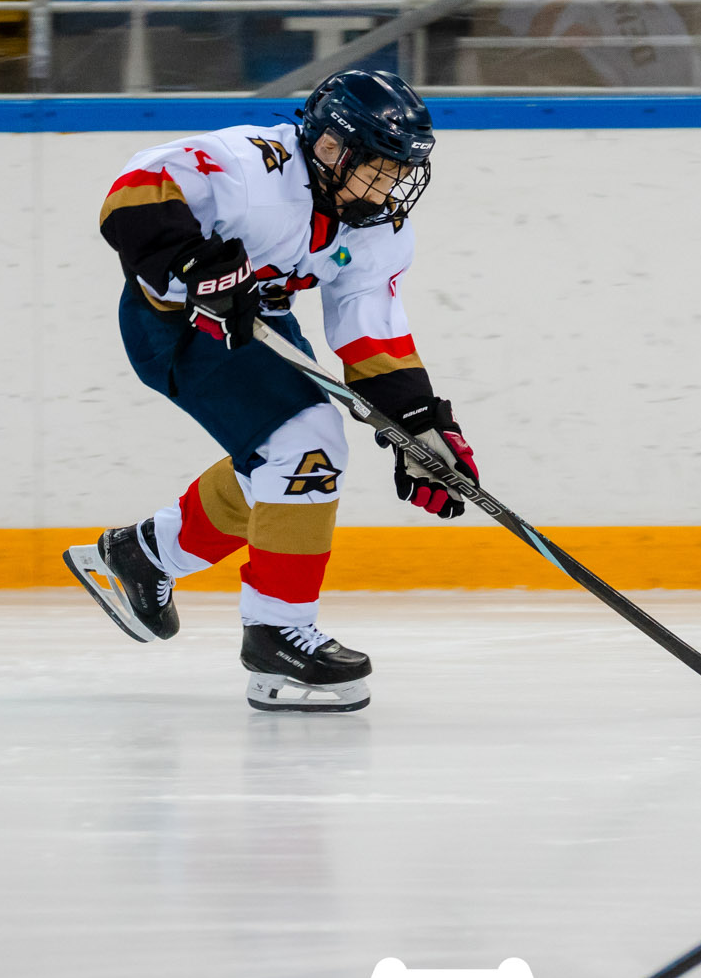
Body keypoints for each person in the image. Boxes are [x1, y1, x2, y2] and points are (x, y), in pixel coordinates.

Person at [64, 69, 479, 714]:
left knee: (287, 465)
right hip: (174, 321)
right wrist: (193, 262)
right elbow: (135, 189)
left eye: (402, 172)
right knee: (307, 445)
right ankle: (276, 634)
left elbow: (370, 333)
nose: (391, 187)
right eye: (380, 168)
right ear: (331, 147)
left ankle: (142, 555)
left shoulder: (376, 227)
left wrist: (420, 427)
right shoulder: (255, 166)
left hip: (257, 319)